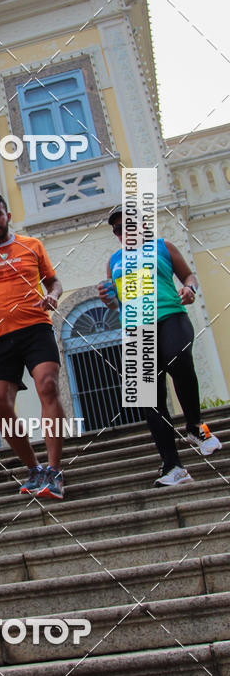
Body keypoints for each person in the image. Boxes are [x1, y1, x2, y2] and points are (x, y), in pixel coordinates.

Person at [98, 204, 222, 487]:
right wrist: (108, 299)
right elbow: (116, 301)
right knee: (149, 399)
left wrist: (189, 289)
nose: (123, 232)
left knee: (178, 358)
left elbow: (188, 276)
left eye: (129, 225)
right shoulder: (114, 261)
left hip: (169, 315)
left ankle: (195, 426)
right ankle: (173, 466)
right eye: (117, 229)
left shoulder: (163, 247)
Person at [0, 193, 67, 499]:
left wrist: (53, 295)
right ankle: (34, 469)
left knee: (48, 385)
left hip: (35, 327)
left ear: (7, 216)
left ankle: (54, 470)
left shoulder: (31, 245)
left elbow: (53, 282)